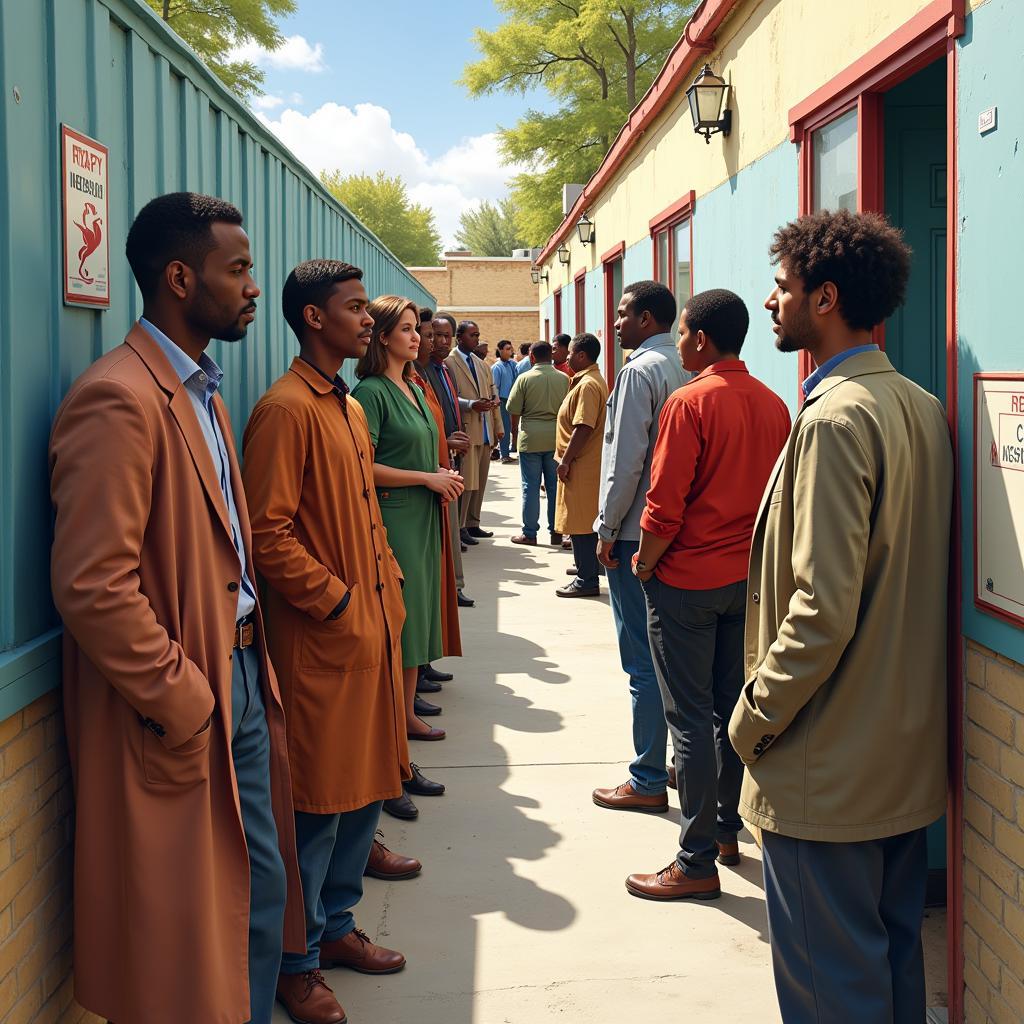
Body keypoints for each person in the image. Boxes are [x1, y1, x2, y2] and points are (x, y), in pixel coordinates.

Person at [49, 192, 303, 1024]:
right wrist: (186, 697)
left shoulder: (205, 392)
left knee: (260, 887)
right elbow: (93, 583)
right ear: (179, 277)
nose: (253, 287)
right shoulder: (119, 397)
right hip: (186, 694)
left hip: (239, 673)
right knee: (190, 920)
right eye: (238, 270)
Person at [729, 210, 953, 1023]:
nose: (770, 301)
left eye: (783, 288)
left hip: (827, 765)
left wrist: (752, 719)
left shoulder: (835, 419)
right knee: (891, 968)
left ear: (824, 298)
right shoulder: (919, 405)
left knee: (831, 989)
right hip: (899, 754)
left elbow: (821, 608)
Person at [242, 261, 415, 1022]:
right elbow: (265, 534)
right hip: (324, 643)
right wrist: (339, 600)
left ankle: (338, 928)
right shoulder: (286, 410)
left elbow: (362, 516)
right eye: (353, 309)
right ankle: (296, 960)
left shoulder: (342, 404)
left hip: (370, 634)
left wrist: (386, 600)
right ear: (314, 318)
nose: (366, 322)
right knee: (315, 809)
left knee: (366, 793)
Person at [624, 289, 790, 902]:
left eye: (685, 333)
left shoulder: (688, 403)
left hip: (687, 582)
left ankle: (694, 862)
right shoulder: (774, 405)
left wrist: (646, 562)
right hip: (744, 584)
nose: (681, 342)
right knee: (728, 709)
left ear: (698, 337)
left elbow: (664, 505)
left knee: (688, 719)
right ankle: (724, 831)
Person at [592, 280, 688, 814]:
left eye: (625, 313)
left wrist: (606, 530)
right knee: (670, 656)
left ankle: (647, 776)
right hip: (673, 531)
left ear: (648, 319)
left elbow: (625, 459)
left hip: (634, 532)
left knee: (643, 662)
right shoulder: (688, 366)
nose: (618, 323)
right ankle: (675, 761)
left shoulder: (638, 372)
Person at [353, 297, 463, 746]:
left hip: (423, 514)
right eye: (405, 329)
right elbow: (363, 465)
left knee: (420, 615)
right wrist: (427, 478)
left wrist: (440, 477)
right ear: (382, 337)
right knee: (403, 616)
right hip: (395, 516)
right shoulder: (371, 393)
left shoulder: (415, 388)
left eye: (416, 328)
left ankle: (406, 713)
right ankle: (395, 721)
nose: (417, 336)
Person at [423, 316, 474, 604]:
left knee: (453, 529)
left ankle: (454, 586)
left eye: (445, 336)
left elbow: (451, 406)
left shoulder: (445, 370)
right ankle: (451, 587)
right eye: (434, 335)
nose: (440, 342)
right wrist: (445, 442)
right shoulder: (422, 373)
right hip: (437, 463)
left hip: (453, 458)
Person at [553, 333, 608, 597]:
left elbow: (583, 426)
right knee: (580, 521)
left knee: (581, 524)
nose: (566, 356)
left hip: (582, 464)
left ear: (582, 355)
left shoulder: (588, 384)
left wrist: (565, 461)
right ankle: (586, 567)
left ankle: (587, 580)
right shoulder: (587, 380)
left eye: (571, 352)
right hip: (582, 462)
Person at [445, 319, 503, 544]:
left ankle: (473, 523)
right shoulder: (450, 362)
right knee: (467, 483)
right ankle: (459, 527)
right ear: (459, 338)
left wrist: (498, 427)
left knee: (480, 481)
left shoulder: (481, 364)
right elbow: (450, 397)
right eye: (472, 335)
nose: (476, 339)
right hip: (468, 429)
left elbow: (492, 394)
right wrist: (471, 404)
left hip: (486, 429)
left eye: (478, 335)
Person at [506, 341, 569, 546]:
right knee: (554, 487)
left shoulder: (524, 378)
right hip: (556, 439)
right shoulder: (564, 379)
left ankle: (530, 533)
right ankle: (556, 532)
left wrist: (515, 435)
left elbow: (512, 408)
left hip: (530, 438)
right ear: (550, 356)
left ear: (531, 357)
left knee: (530, 487)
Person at [492, 339, 519, 463]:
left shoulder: (512, 364)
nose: (510, 351)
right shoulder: (497, 367)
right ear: (500, 350)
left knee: (511, 427)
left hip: (511, 399)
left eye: (511, 349)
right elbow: (494, 386)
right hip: (502, 400)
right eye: (507, 349)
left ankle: (505, 452)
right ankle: (504, 454)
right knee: (504, 427)